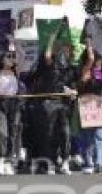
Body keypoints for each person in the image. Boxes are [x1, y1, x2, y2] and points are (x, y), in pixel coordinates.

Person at [31, 19, 77, 175]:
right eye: (60, 47)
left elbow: (69, 85)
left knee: (65, 132)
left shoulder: (68, 68)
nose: (63, 49)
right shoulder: (49, 64)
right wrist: (52, 36)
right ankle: (49, 163)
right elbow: (47, 54)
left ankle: (65, 161)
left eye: (65, 48)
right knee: (49, 134)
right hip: (48, 103)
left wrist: (72, 91)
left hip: (63, 104)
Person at [0, 40, 23, 175]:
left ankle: (8, 161)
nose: (11, 59)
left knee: (13, 132)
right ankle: (0, 159)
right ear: (2, 59)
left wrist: (15, 44)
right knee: (2, 131)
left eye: (12, 57)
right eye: (8, 56)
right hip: (0, 104)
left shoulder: (16, 71)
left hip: (14, 103)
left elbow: (22, 56)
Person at [78, 41, 102, 173]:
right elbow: (83, 83)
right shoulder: (86, 71)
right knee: (87, 136)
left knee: (100, 134)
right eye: (98, 59)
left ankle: (101, 161)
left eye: (101, 59)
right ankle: (88, 162)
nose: (100, 61)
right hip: (87, 105)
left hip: (100, 107)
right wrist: (89, 46)